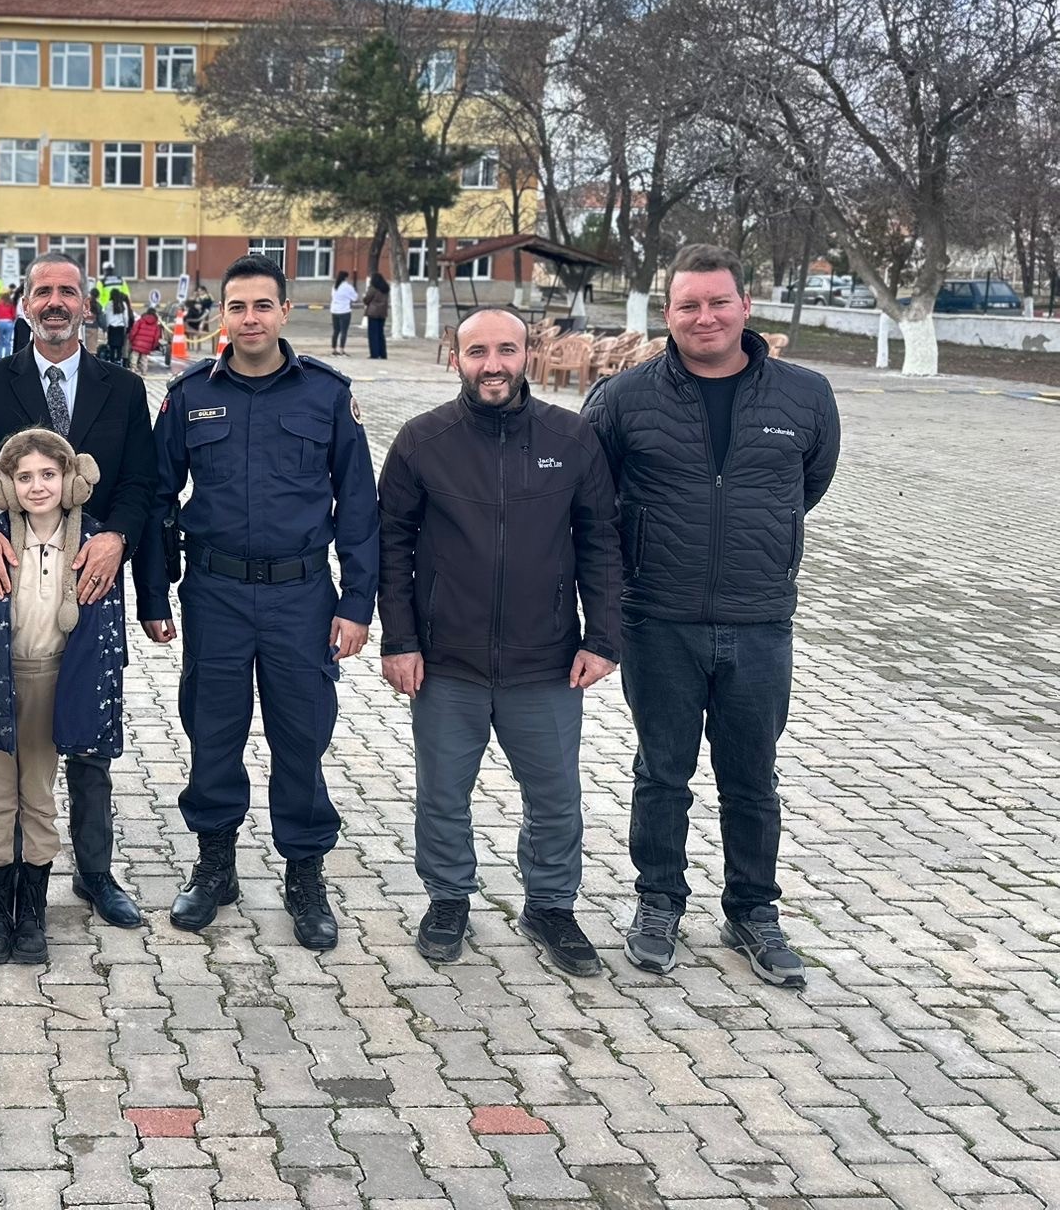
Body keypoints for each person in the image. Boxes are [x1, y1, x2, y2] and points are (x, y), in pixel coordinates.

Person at [584, 243, 840, 988]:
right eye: (689, 304)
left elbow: (808, 486)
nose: (705, 317)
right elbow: (593, 503)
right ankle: (658, 902)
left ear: (745, 306)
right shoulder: (623, 398)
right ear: (668, 314)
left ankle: (753, 910)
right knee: (662, 772)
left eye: (719, 301)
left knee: (752, 776)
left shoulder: (806, 395)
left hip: (760, 619)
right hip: (659, 618)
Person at [136, 254, 378, 951]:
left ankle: (305, 874)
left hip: (302, 595)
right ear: (222, 315)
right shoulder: (189, 396)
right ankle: (215, 866)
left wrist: (357, 603)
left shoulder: (326, 395)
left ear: (284, 312)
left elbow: (359, 505)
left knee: (301, 734)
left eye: (262, 305)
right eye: (237, 307)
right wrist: (154, 593)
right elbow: (156, 498)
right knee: (213, 730)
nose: (250, 319)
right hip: (214, 592)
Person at [378, 309, 624, 975]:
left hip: (546, 661)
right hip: (446, 661)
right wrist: (399, 639)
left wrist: (603, 638)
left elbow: (602, 540)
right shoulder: (422, 440)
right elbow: (390, 544)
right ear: (455, 359)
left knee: (555, 797)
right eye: (478, 351)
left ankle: (550, 905)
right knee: (442, 792)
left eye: (507, 350)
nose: (493, 364)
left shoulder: (571, 438)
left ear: (528, 353)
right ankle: (448, 898)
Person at [0, 251, 159, 930]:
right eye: (43, 291)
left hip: (91, 589)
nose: (56, 302)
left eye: (68, 291)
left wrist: (118, 538)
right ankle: (2, 874)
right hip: (15, 588)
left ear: (85, 305)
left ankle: (94, 872)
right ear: (25, 304)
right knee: (12, 742)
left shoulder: (121, 389)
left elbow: (142, 484)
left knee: (88, 738)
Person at [0, 430, 128, 965]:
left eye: (49, 474)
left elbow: (108, 635)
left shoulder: (93, 543)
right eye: (24, 477)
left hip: (56, 685)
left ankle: (33, 912)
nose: (37, 486)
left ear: (72, 478)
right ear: (5, 485)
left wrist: (100, 701)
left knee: (38, 800)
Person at [363, 273, 391, 360]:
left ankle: (374, 353)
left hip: (373, 313)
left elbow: (367, 299)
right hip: (382, 313)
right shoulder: (386, 288)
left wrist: (364, 298)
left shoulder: (373, 288)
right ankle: (383, 354)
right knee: (380, 334)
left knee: (373, 334)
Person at [328, 271, 356, 355]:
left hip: (335, 311)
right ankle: (341, 349)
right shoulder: (348, 287)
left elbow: (333, 296)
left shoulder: (335, 286)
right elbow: (355, 298)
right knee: (344, 331)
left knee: (336, 331)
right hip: (344, 311)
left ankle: (334, 349)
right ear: (346, 278)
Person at [128, 303, 162, 373]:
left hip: (137, 341)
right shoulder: (156, 325)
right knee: (144, 358)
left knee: (134, 356)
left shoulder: (140, 320)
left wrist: (131, 339)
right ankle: (144, 370)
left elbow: (134, 330)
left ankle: (133, 369)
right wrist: (153, 346)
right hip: (148, 344)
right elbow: (156, 337)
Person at [0, 282, 17, 358]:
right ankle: (7, 357)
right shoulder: (11, 303)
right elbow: (14, 314)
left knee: (0, 341)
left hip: (0, 322)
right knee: (8, 341)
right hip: (9, 322)